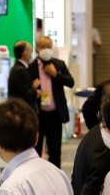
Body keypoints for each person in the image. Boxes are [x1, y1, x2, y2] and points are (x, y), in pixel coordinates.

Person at [30, 36, 76, 167]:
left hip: (55, 114)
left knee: (55, 151)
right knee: (36, 150)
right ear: (37, 49)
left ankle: (55, 178)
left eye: (49, 47)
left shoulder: (59, 64)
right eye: (43, 47)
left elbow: (71, 82)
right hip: (38, 115)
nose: (46, 50)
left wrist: (55, 74)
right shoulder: (31, 67)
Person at [7, 40, 40, 110]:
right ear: (25, 54)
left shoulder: (17, 68)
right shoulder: (21, 70)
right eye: (31, 53)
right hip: (21, 110)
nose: (32, 56)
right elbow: (25, 94)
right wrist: (35, 90)